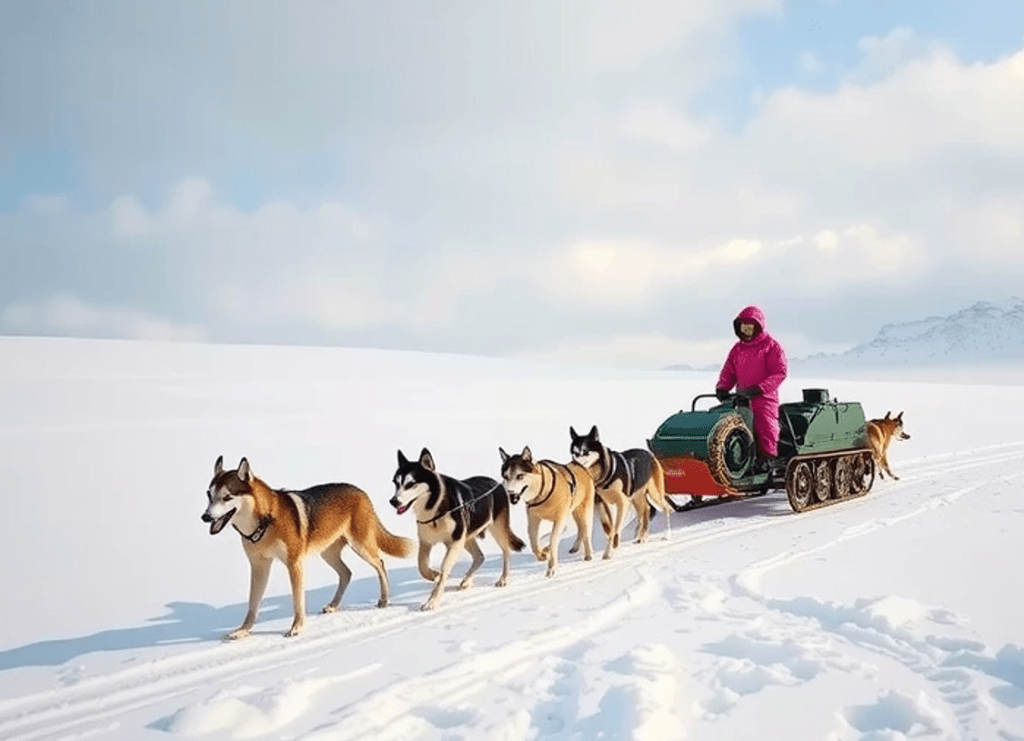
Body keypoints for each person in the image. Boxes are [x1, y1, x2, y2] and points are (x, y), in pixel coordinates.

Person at [715, 305, 788, 474]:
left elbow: (779, 372)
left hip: (764, 398)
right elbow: (729, 370)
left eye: (750, 325)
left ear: (758, 326)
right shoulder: (737, 349)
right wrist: (723, 388)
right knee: (734, 426)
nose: (746, 328)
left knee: (764, 425)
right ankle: (736, 461)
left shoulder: (771, 346)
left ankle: (767, 459)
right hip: (742, 398)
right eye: (743, 325)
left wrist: (760, 388)